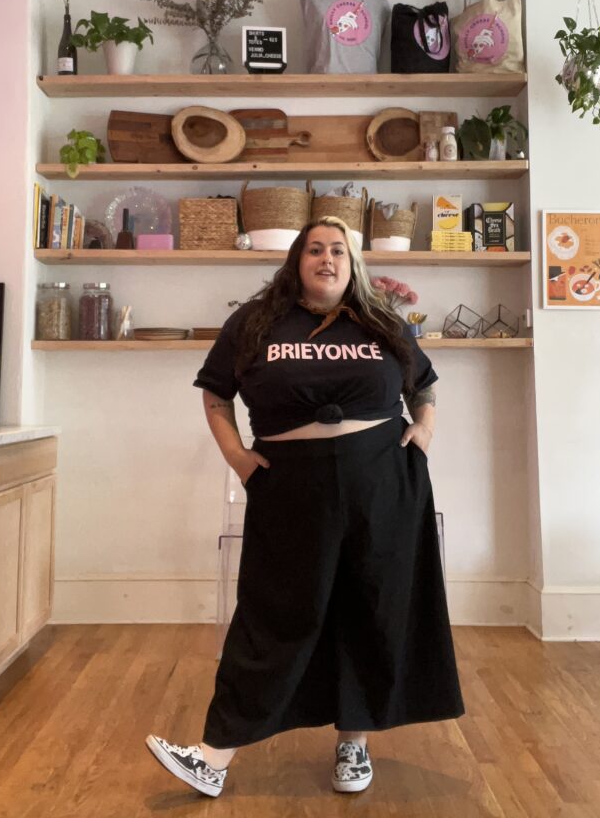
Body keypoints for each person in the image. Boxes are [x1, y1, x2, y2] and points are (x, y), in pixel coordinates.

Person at [146, 216, 464, 797]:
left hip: (382, 484)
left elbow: (424, 384)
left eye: (338, 250)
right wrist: (239, 457)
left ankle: (354, 748)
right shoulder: (254, 322)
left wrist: (425, 427)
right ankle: (212, 758)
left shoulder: (382, 319)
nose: (327, 258)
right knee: (274, 616)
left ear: (353, 262)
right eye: (315, 249)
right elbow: (216, 394)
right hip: (292, 488)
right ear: (297, 259)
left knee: (370, 609)